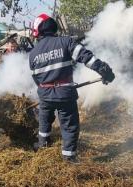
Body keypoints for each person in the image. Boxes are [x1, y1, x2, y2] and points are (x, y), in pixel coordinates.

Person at [29, 14, 115, 163]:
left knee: (44, 120)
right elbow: (87, 58)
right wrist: (104, 71)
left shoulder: (33, 54)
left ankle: (43, 144)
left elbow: (36, 78)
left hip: (45, 94)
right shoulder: (66, 42)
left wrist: (45, 90)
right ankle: (68, 157)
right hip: (64, 94)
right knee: (69, 126)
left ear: (38, 32)